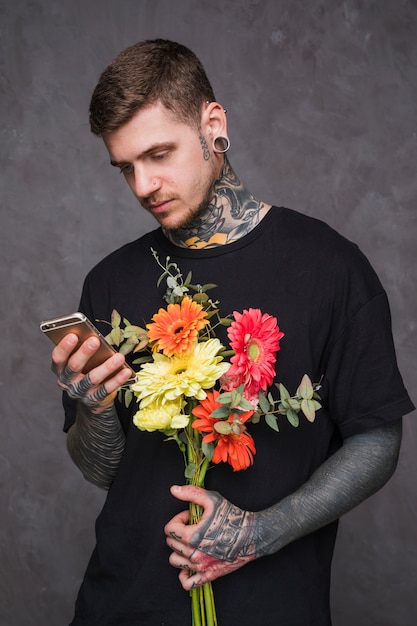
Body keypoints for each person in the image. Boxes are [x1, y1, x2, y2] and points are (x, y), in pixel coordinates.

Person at [51, 39, 415, 625]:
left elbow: (378, 440)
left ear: (212, 126)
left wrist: (262, 532)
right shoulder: (109, 282)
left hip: (272, 607)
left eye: (160, 154)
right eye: (126, 168)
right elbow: (104, 471)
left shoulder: (330, 266)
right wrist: (91, 407)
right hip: (120, 604)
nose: (144, 185)